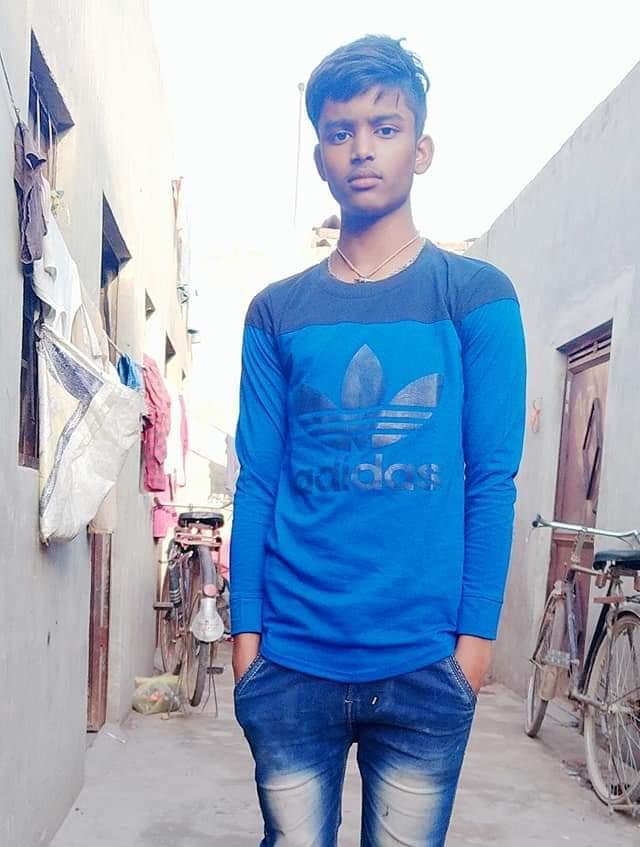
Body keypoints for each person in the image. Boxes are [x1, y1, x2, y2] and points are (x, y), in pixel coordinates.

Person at [230, 34, 526, 847]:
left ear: (420, 149)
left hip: (425, 668)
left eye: (384, 127)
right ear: (320, 157)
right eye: (340, 131)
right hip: (292, 660)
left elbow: (491, 479)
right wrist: (247, 643)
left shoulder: (475, 297)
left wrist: (473, 650)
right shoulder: (277, 312)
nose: (362, 148)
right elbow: (256, 481)